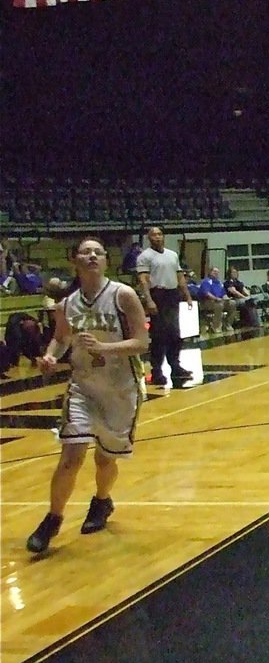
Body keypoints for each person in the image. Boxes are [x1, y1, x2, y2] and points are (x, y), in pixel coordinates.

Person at [26, 237, 149, 554]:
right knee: (70, 457)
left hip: (121, 387)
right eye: (86, 252)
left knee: (105, 458)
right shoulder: (67, 304)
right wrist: (51, 356)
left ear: (106, 260)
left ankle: (102, 501)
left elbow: (141, 342)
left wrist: (104, 347)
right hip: (83, 386)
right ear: (75, 261)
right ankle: (52, 519)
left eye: (98, 252)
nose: (93, 256)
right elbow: (61, 338)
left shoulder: (124, 295)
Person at [136, 227, 193, 386]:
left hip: (172, 295)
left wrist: (187, 296)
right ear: (149, 238)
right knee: (159, 336)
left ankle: (175, 366)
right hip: (157, 295)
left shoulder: (172, 255)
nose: (157, 237)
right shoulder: (144, 256)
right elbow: (143, 280)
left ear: (164, 236)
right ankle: (157, 371)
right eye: (154, 235)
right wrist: (149, 300)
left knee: (175, 334)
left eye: (159, 234)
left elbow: (179, 276)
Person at [198, 266, 238, 333]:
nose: (216, 273)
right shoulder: (206, 281)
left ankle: (228, 324)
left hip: (220, 301)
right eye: (214, 271)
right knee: (219, 305)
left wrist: (227, 298)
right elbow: (207, 293)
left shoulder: (219, 283)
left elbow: (223, 293)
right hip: (207, 302)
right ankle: (216, 326)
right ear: (210, 272)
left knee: (232, 303)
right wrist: (216, 298)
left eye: (217, 272)